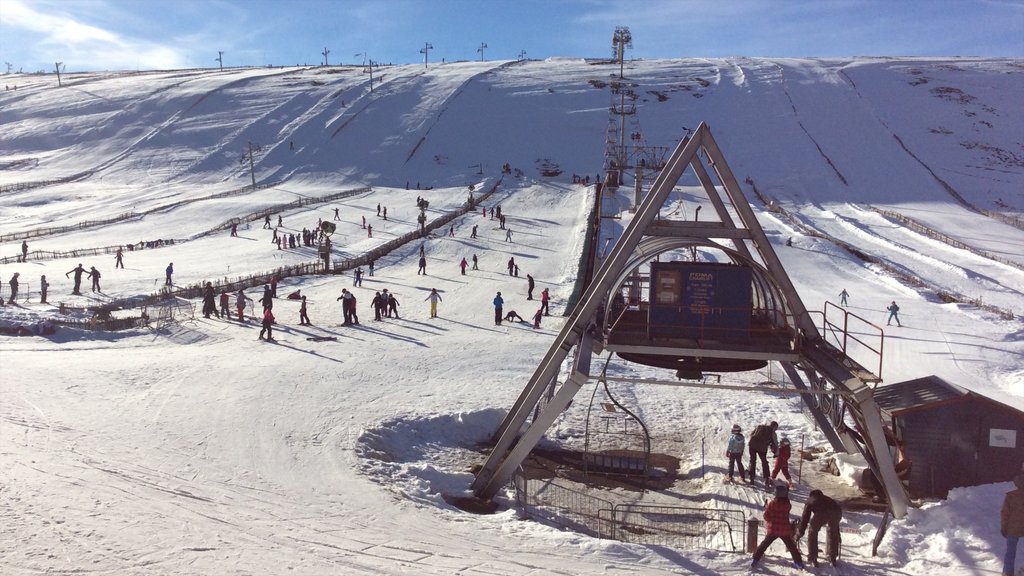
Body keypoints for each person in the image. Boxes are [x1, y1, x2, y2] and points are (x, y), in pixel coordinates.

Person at [751, 483, 804, 569]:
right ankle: (798, 563)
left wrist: (768, 509)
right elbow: (785, 507)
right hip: (784, 530)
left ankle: (755, 560)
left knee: (764, 545)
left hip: (773, 529)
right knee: (792, 547)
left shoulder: (772, 504)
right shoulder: (787, 504)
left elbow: (766, 516)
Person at [798, 489, 843, 568]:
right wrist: (838, 535)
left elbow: (805, 518)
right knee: (832, 531)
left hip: (822, 513)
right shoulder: (827, 499)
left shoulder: (810, 500)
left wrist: (800, 532)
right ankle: (832, 557)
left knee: (812, 531)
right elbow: (835, 525)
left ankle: (813, 557)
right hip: (837, 512)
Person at [1003, 470, 1024, 576]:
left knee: (1010, 552)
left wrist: (1003, 528)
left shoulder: (1010, 497)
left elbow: (1005, 514)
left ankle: (1007, 572)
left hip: (1012, 528)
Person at [748, 421, 779, 486]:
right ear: (774, 428)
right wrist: (776, 453)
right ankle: (766, 478)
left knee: (752, 460)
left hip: (752, 445)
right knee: (764, 461)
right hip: (762, 448)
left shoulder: (760, 427)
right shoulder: (773, 433)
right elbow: (775, 444)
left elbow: (751, 434)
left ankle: (752, 478)